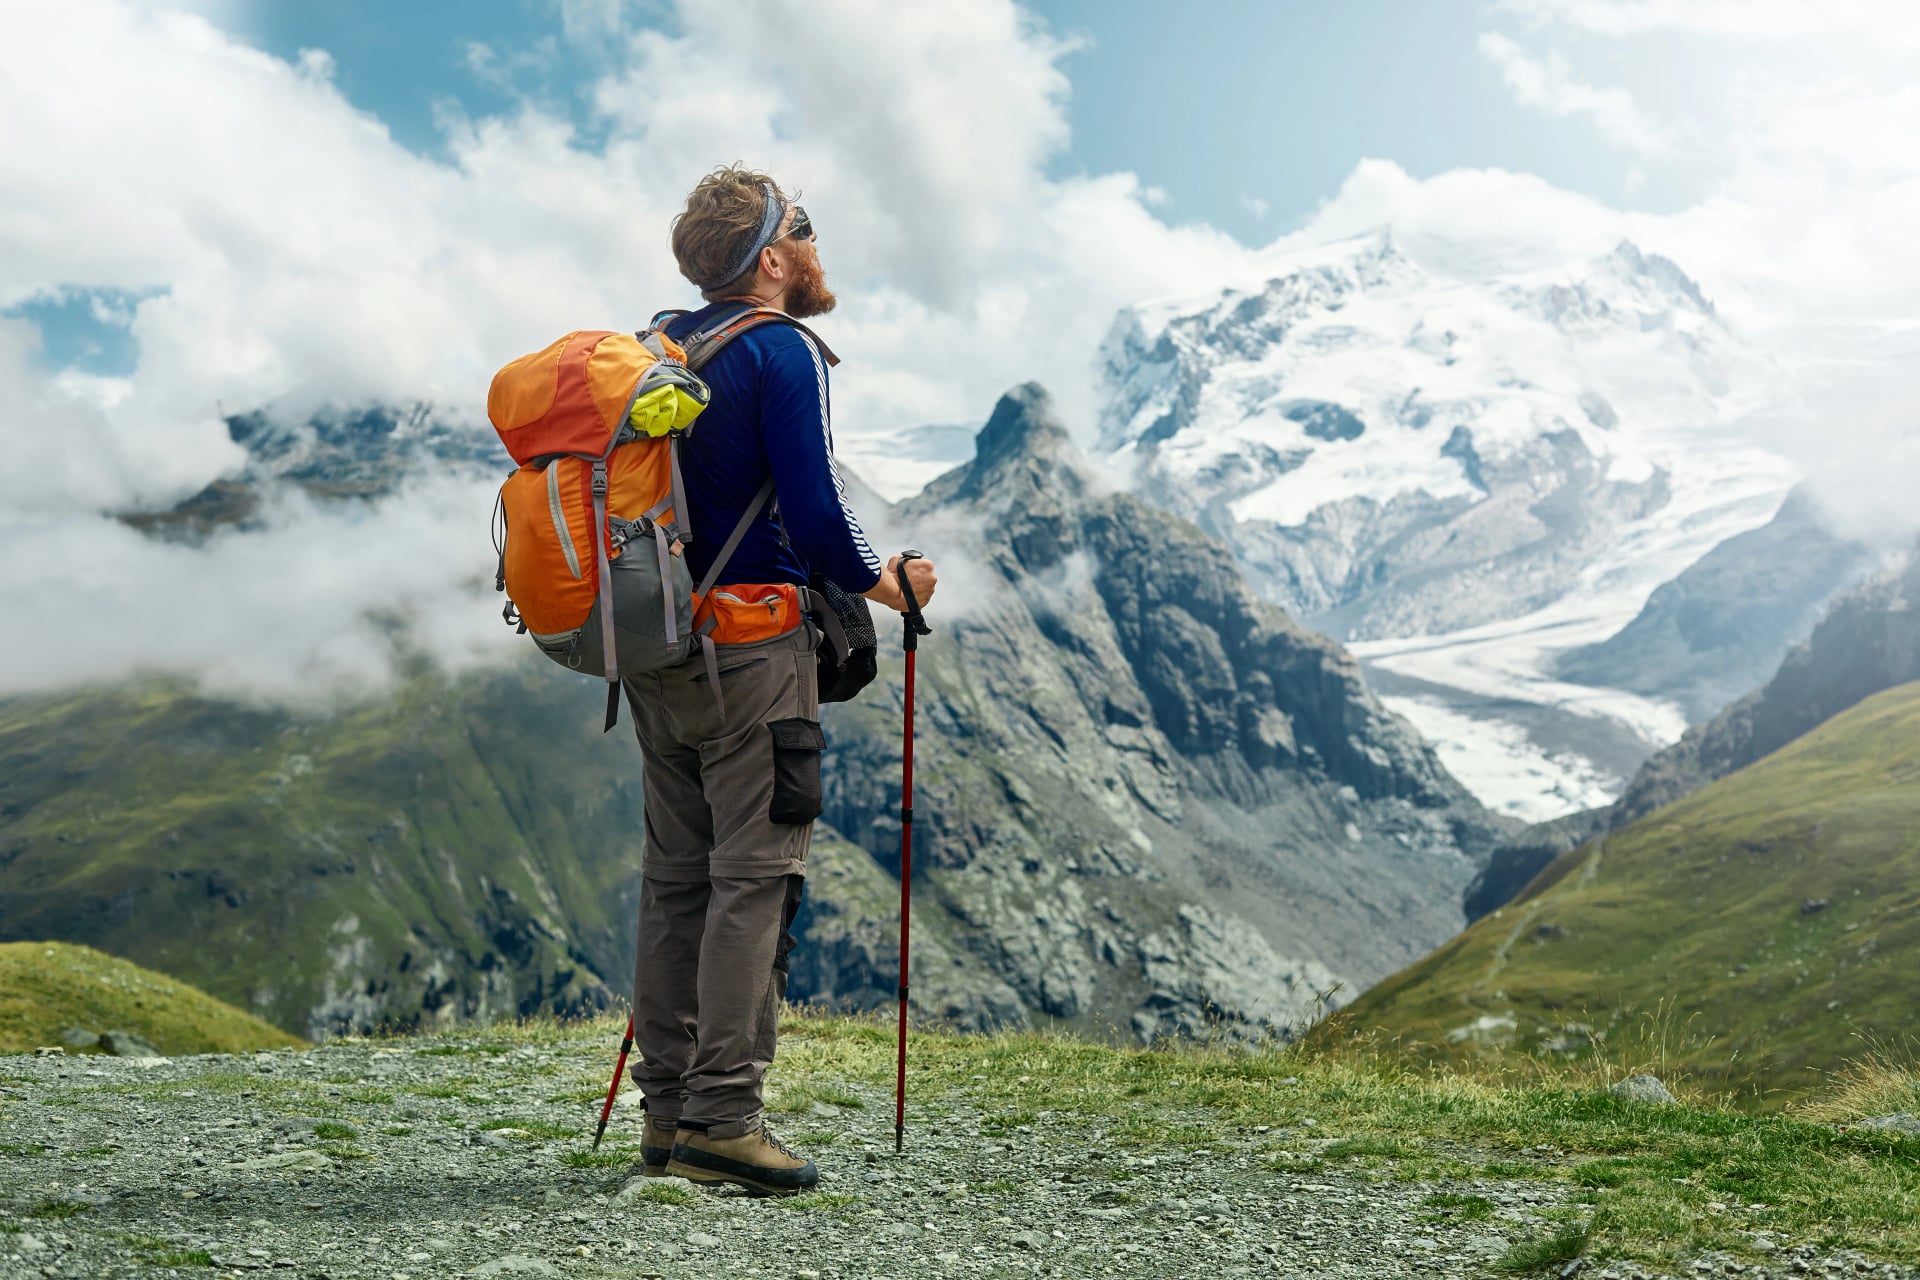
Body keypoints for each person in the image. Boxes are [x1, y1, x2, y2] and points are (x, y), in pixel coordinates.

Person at [626, 165, 936, 1196]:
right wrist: (890, 582)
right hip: (753, 656)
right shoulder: (782, 351)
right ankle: (725, 1119)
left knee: (678, 883)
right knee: (753, 881)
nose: (816, 244)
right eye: (805, 229)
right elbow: (814, 514)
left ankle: (668, 1117)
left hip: (660, 651)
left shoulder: (664, 342)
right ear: (771, 257)